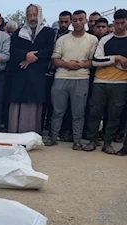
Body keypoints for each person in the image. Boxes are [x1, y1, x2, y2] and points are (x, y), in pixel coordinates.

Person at [44, 10, 98, 150]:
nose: (78, 22)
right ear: (71, 22)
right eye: (75, 20)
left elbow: (93, 62)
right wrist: (68, 64)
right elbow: (55, 59)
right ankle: (53, 137)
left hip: (81, 78)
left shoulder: (92, 40)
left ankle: (77, 141)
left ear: (85, 21)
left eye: (80, 19)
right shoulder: (62, 40)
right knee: (57, 111)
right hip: (61, 77)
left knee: (78, 112)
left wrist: (78, 65)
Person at [83, 9, 127, 155]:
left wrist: (112, 62)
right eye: (117, 23)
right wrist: (117, 59)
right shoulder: (105, 40)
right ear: (113, 23)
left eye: (123, 23)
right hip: (100, 81)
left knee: (114, 115)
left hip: (121, 83)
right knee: (95, 112)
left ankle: (107, 143)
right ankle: (91, 140)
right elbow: (96, 60)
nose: (120, 26)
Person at [7, 4, 55, 133]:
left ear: (39, 15)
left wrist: (32, 56)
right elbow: (12, 51)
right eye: (29, 15)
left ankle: (31, 134)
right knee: (17, 104)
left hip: (37, 75)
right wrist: (25, 55)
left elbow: (49, 50)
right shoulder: (18, 33)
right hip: (20, 75)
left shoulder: (48, 32)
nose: (32, 18)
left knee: (34, 105)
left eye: (34, 15)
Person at [42, 10, 73, 135]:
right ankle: (48, 128)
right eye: (61, 22)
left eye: (66, 22)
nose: (63, 24)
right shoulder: (51, 34)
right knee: (47, 103)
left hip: (64, 72)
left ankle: (63, 130)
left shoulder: (72, 36)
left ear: (70, 22)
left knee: (62, 104)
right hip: (48, 73)